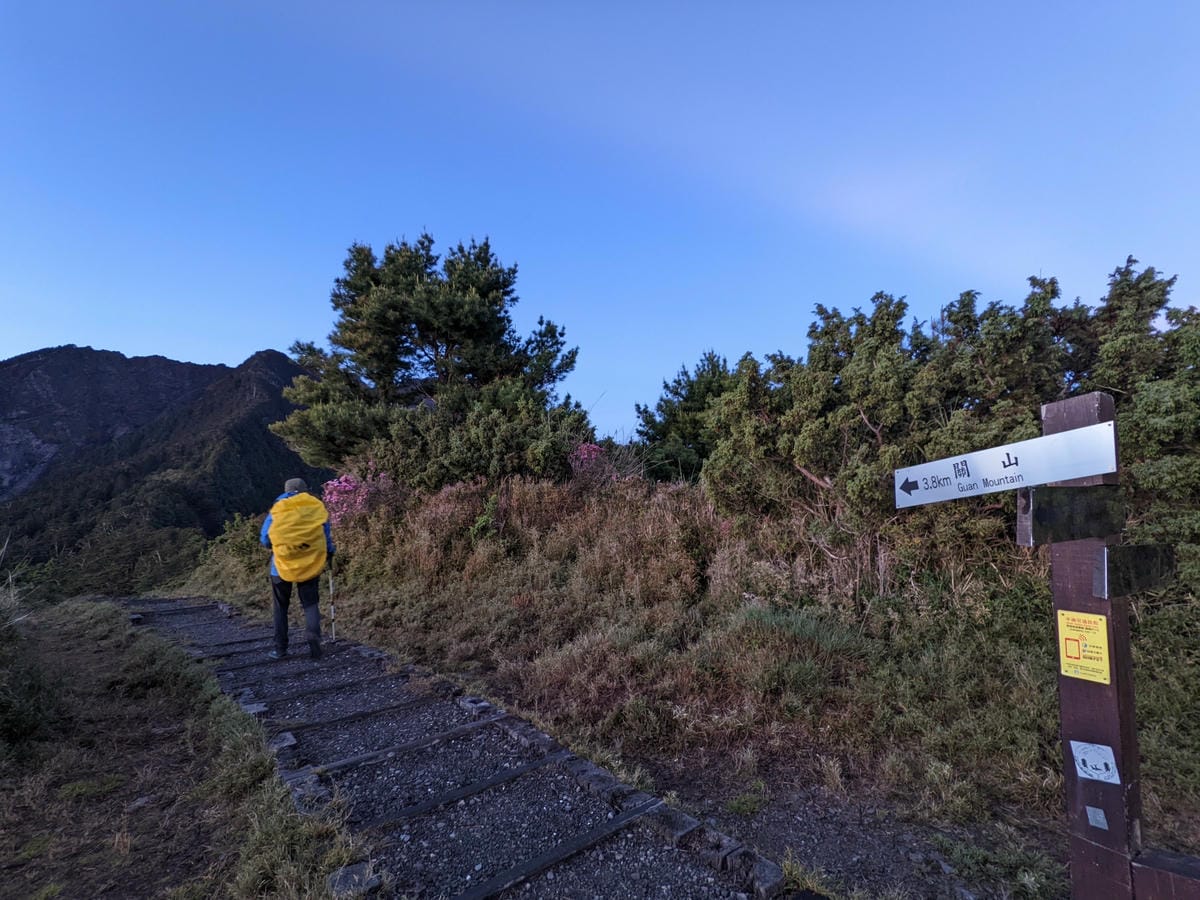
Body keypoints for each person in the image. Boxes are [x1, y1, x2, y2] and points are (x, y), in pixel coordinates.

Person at [260, 477, 335, 660]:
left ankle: (280, 649)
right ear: (304, 491)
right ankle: (313, 639)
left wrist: (279, 547)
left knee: (280, 607)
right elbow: (325, 535)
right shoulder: (315, 507)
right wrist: (329, 553)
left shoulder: (278, 509)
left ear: (286, 491)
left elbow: (265, 538)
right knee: (310, 603)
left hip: (280, 566)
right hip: (310, 564)